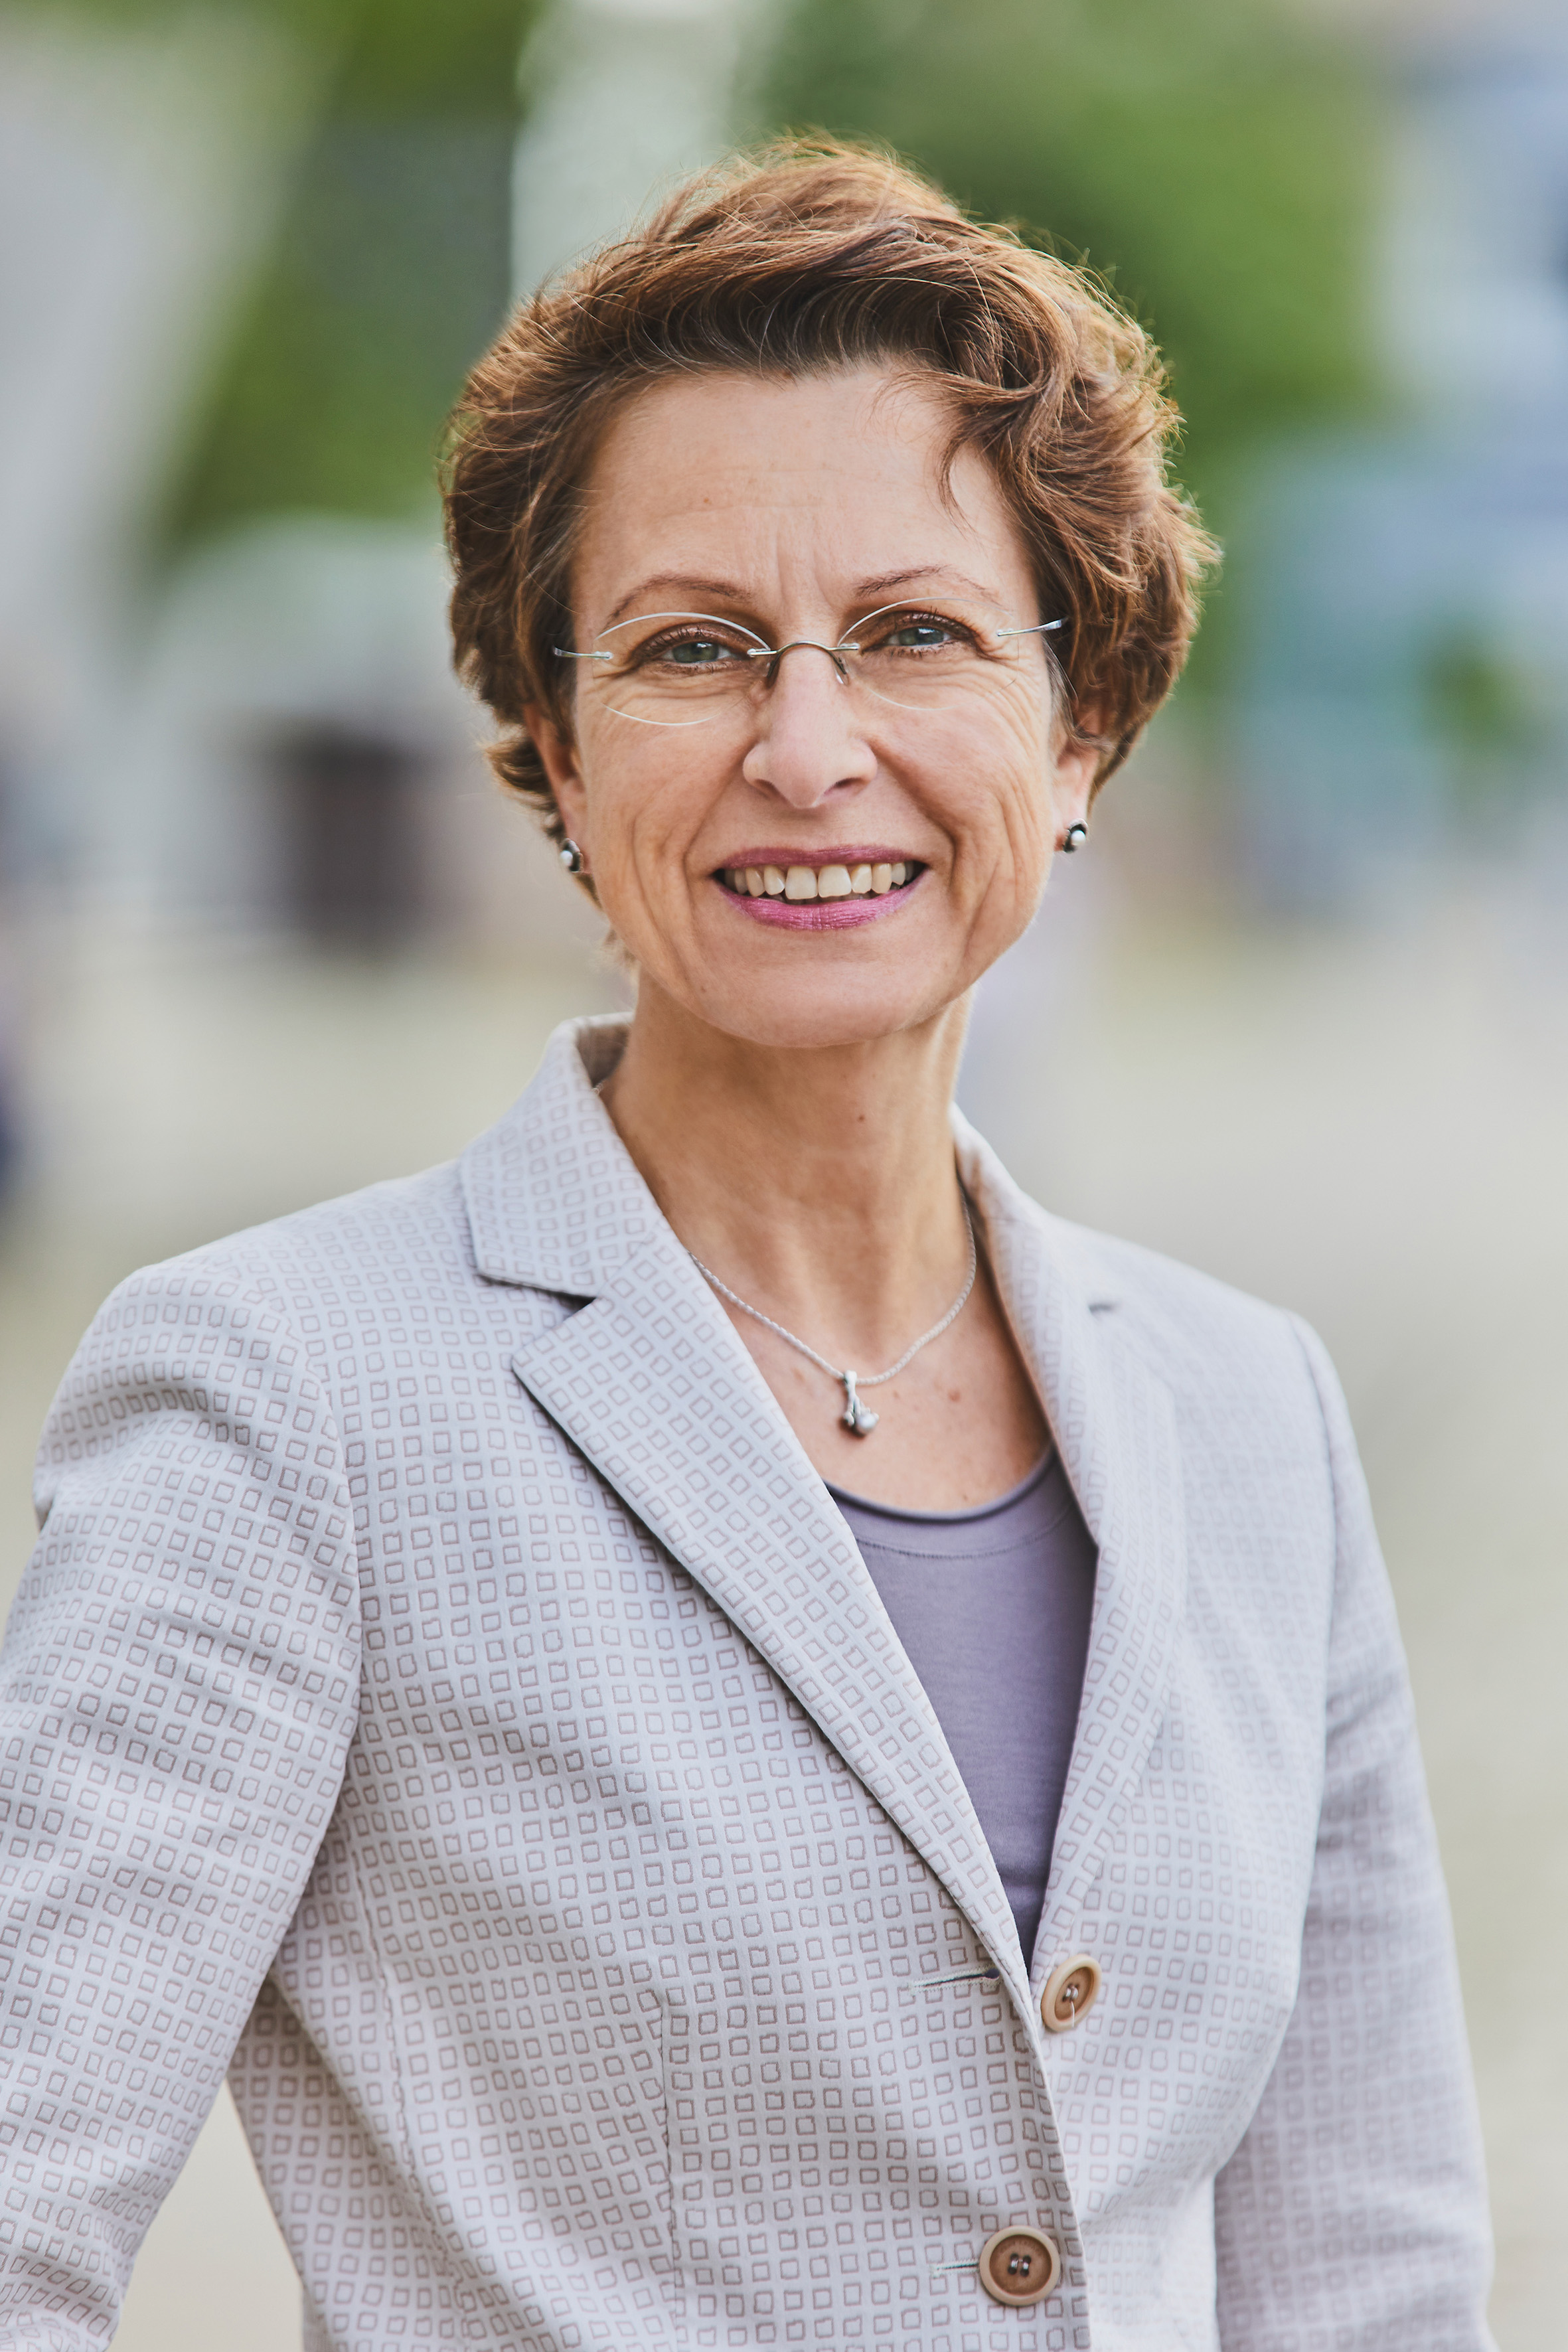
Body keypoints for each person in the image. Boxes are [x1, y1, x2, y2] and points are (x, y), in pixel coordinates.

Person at [0, 143, 1494, 2352]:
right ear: (554, 739)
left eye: (916, 635)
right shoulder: (282, 1396)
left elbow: (1369, 2277)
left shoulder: (1248, 1407)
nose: (808, 751)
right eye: (694, 649)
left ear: (1079, 724)